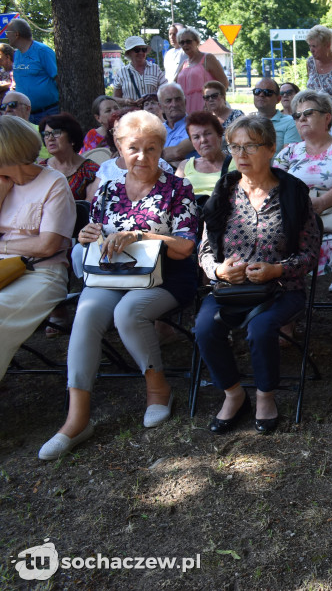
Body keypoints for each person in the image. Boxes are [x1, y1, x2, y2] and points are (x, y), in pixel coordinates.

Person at [39, 110, 199, 460]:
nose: (143, 156)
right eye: (134, 148)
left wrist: (142, 234)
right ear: (119, 148)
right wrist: (85, 235)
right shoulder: (109, 189)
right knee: (87, 312)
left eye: (152, 148)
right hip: (112, 274)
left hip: (167, 277)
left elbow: (186, 247)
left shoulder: (177, 188)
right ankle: (77, 418)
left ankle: (158, 389)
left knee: (128, 313)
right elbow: (95, 237)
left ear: (162, 150)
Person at [195, 114, 320, 435]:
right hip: (230, 289)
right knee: (205, 327)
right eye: (234, 147)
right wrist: (219, 270)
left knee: (261, 328)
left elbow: (309, 255)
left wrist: (276, 269)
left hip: (281, 287)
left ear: (271, 148)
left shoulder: (293, 195)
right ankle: (234, 395)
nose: (241, 155)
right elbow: (205, 250)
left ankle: (265, 396)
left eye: (250, 146)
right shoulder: (223, 194)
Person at [274, 90, 332, 346]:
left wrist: (321, 203)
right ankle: (286, 319)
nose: (301, 119)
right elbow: (275, 186)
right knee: (278, 247)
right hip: (297, 223)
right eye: (297, 115)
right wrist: (302, 210)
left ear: (327, 117)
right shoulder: (288, 153)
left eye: (308, 113)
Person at [0, 116, 76, 381]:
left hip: (41, 274)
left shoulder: (53, 183)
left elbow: (47, 245)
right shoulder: (3, 184)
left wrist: (4, 243)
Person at [38, 113, 100, 201]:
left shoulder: (90, 171)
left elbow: (90, 208)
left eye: (56, 132)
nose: (50, 138)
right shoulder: (41, 169)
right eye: (46, 134)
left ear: (72, 138)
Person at [5, 19, 58, 123]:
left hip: (48, 112)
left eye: (8, 33)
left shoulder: (43, 51)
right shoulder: (17, 54)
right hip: (25, 114)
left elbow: (59, 79)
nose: (6, 36)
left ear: (16, 34)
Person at [175, 27, 230, 115]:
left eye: (188, 41)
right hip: (186, 111)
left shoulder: (207, 58)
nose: (185, 45)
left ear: (197, 41)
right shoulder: (183, 64)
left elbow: (224, 83)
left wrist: (214, 103)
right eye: (182, 42)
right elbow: (174, 86)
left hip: (206, 109)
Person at [174, 111, 228, 197]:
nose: (203, 140)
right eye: (196, 137)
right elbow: (173, 196)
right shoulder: (185, 165)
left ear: (219, 135)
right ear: (192, 142)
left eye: (207, 134)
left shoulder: (236, 163)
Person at [112, 36, 167, 106]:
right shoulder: (122, 73)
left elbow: (165, 90)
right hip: (131, 114)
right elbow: (115, 98)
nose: (141, 52)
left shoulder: (155, 69)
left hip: (152, 114)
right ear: (129, 53)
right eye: (137, 50)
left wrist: (151, 98)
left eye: (143, 50)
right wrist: (125, 101)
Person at [305, 25, 332, 111]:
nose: (311, 50)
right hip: (315, 115)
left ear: (327, 45)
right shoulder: (310, 62)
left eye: (314, 46)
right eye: (310, 46)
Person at [252, 78, 299, 152]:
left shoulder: (290, 122)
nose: (261, 95)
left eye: (268, 92)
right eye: (257, 91)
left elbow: (288, 158)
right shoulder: (248, 123)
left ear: (278, 99)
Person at [157, 83, 194, 164]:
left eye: (178, 99)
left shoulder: (196, 125)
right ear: (160, 107)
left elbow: (177, 153)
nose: (174, 104)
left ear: (185, 102)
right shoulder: (158, 130)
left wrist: (153, 155)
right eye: (168, 101)